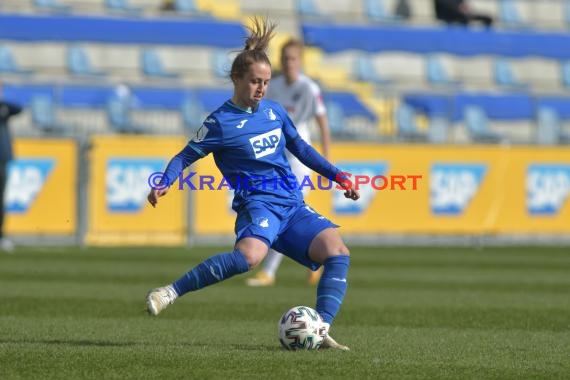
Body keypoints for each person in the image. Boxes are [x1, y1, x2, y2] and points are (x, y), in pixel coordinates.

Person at [145, 17, 359, 350]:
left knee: (338, 251)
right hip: (257, 204)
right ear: (236, 79)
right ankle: (169, 292)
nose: (261, 88)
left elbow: (301, 148)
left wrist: (338, 175)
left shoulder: (273, 112)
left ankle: (319, 328)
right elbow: (184, 157)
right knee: (249, 258)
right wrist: (164, 181)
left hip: (292, 204)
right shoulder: (220, 122)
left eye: (266, 82)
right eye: (255, 82)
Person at [246, 38, 331, 288]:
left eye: (293, 58)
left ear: (301, 61)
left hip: (299, 159)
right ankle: (317, 256)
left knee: (285, 213)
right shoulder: (275, 86)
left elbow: (322, 123)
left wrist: (325, 162)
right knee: (288, 213)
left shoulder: (309, 88)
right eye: (285, 58)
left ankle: (270, 272)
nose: (289, 63)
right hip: (276, 159)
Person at [0, 83, 22, 253]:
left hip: (2, 160)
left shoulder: (4, 108)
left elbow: (18, 108)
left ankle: (1, 235)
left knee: (1, 201)